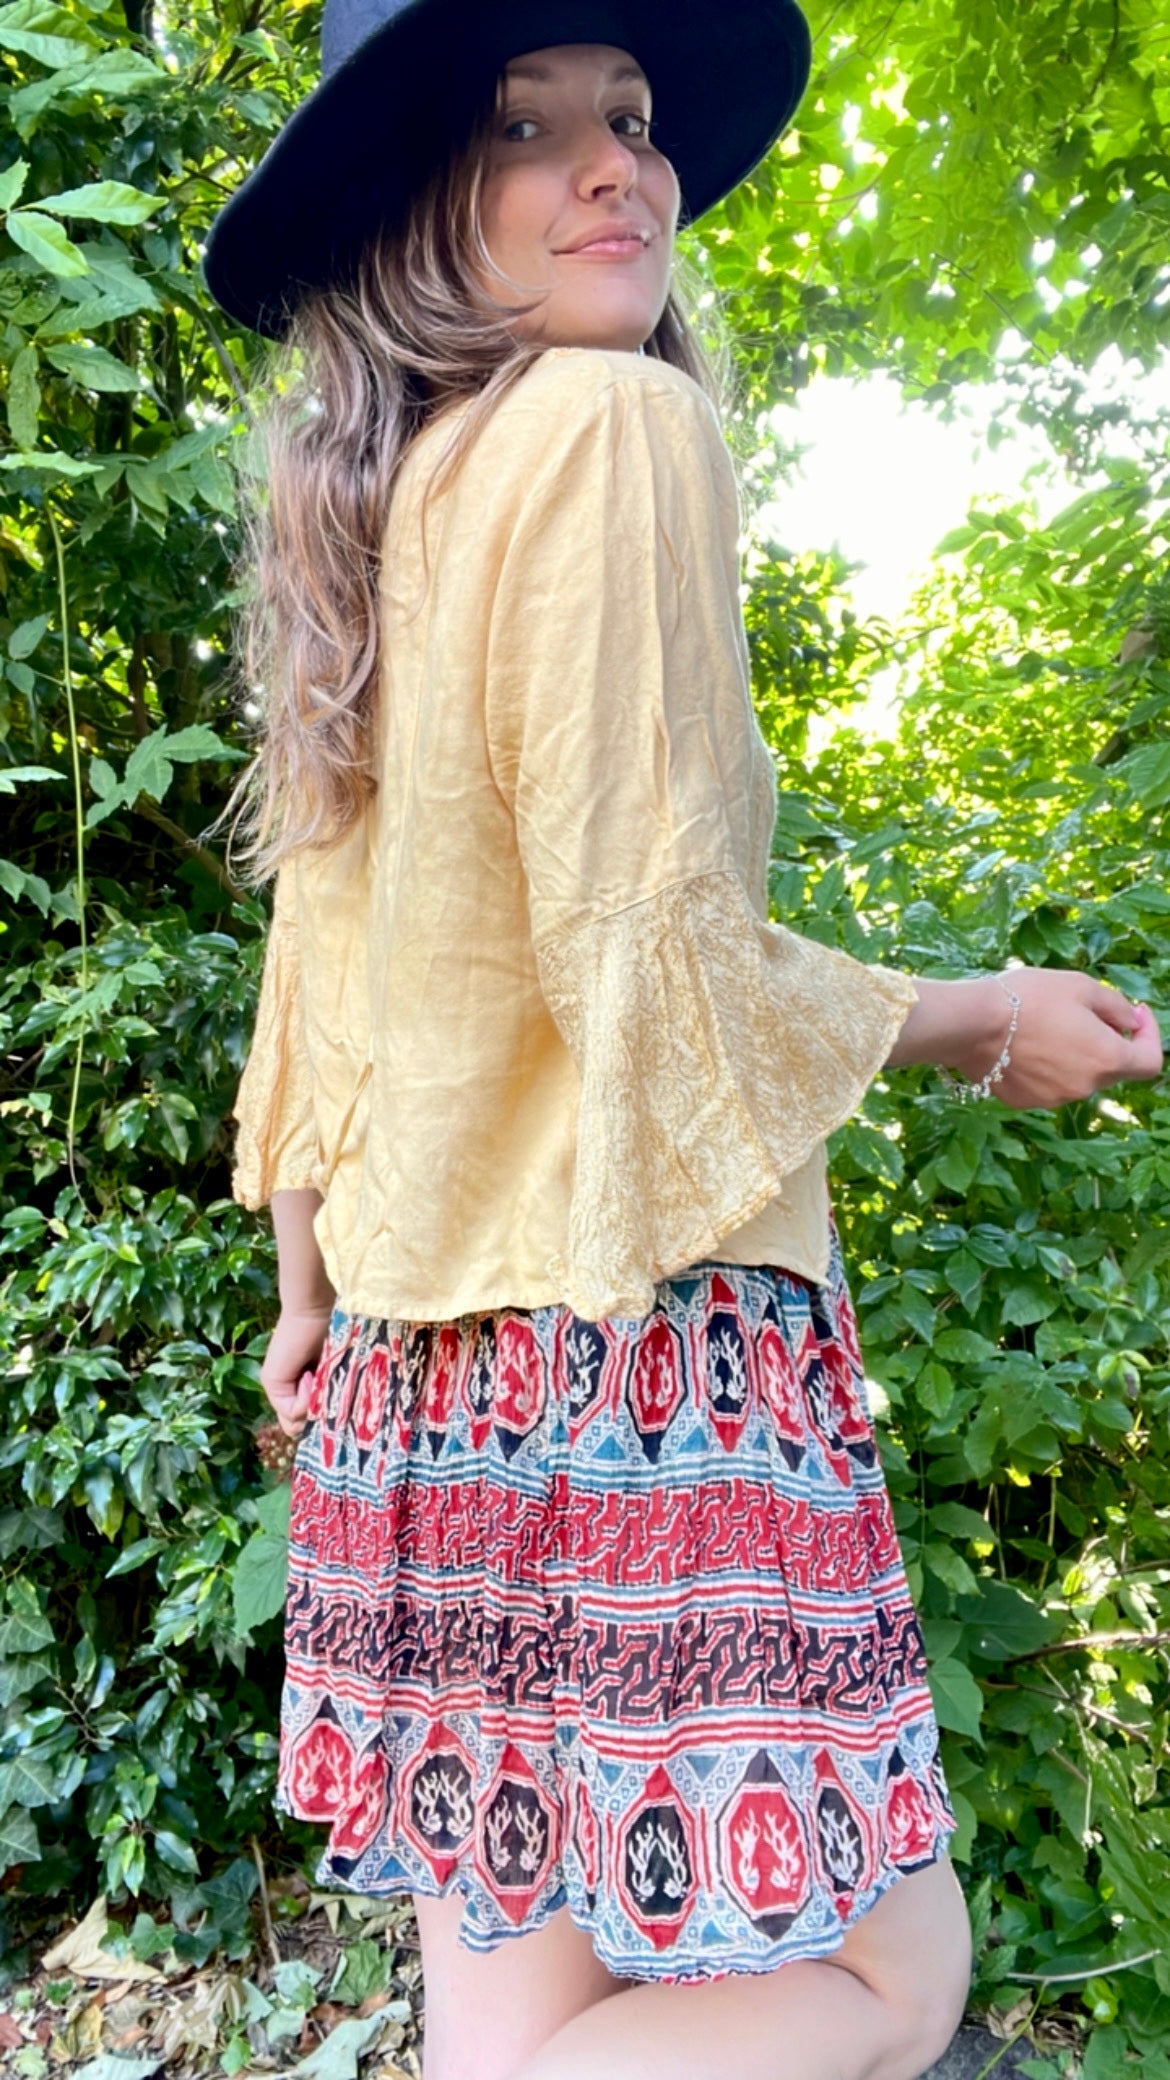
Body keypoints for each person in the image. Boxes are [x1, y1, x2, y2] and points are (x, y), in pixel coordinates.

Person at [203, 4, 1164, 2076]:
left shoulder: (381, 516)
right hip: (633, 1346)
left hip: (421, 1384)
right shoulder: (610, 424)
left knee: (519, 2008)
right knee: (894, 1982)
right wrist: (981, 1018)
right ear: (413, 209)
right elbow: (649, 942)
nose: (612, 167)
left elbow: (322, 974)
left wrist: (302, 1297)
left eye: (626, 120)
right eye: (522, 129)